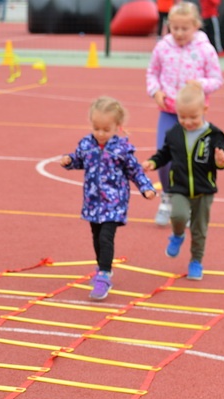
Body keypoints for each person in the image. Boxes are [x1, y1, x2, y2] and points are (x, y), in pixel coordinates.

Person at [60, 97, 157, 301]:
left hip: (114, 201)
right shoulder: (87, 144)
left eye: (106, 129)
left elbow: (135, 171)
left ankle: (104, 274)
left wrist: (147, 188)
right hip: (93, 201)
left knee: (106, 236)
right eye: (96, 128)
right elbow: (79, 159)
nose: (101, 133)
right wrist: (69, 160)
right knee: (96, 236)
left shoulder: (121, 149)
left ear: (117, 127)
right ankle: (101, 267)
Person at [145, 1, 222, 227]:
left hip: (194, 116)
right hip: (169, 112)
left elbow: (217, 80)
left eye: (184, 28)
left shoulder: (205, 49)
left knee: (191, 160)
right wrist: (155, 91)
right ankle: (167, 198)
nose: (178, 33)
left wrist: (199, 84)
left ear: (196, 25)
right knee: (164, 157)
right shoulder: (162, 47)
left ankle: (188, 201)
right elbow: (152, 72)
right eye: (174, 28)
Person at [142, 83, 224, 282]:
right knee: (178, 214)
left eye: (193, 117)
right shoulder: (174, 133)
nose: (187, 122)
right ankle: (178, 235)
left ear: (204, 110)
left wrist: (221, 161)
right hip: (180, 187)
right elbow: (164, 154)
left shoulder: (214, 135)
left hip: (204, 189)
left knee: (199, 229)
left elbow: (222, 159)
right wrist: (153, 162)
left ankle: (196, 261)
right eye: (182, 117)